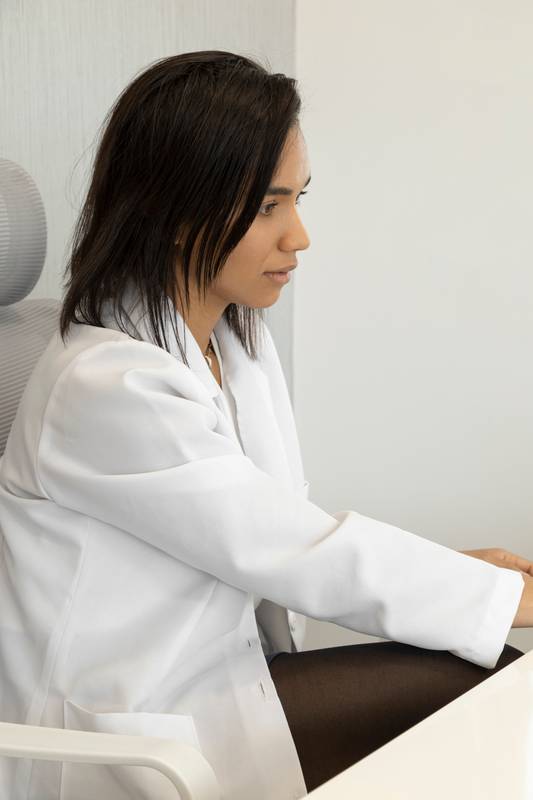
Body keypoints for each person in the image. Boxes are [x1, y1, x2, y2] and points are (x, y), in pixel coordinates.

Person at [0, 50, 531, 800]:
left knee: (489, 682)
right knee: (488, 679)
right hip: (129, 732)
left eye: (298, 199)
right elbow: (290, 550)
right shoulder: (106, 386)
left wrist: (462, 576)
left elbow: (277, 525)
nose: (299, 237)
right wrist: (486, 594)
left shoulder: (234, 339)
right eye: (268, 207)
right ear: (176, 210)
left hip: (224, 680)